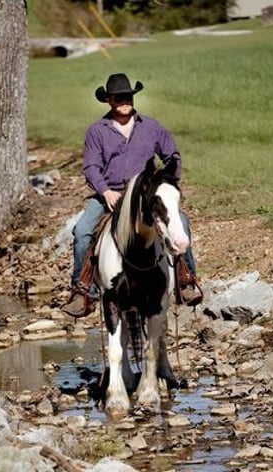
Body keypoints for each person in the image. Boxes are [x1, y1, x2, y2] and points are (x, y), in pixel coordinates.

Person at [61, 73, 203, 318]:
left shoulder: (152, 127)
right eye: (119, 97)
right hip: (111, 193)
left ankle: (185, 280)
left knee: (183, 224)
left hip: (147, 195)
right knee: (82, 231)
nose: (125, 101)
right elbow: (91, 167)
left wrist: (165, 184)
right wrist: (105, 191)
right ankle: (82, 291)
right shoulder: (97, 131)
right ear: (109, 100)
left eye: (128, 96)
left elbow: (172, 157)